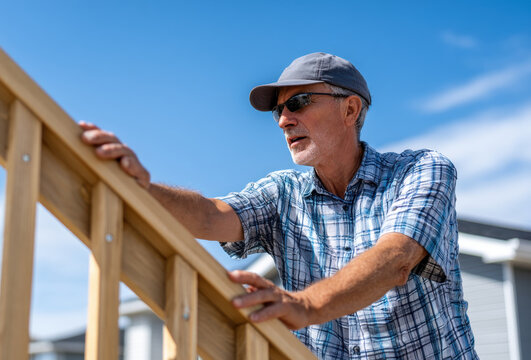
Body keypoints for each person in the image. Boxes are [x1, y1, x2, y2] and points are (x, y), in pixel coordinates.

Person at [79, 52, 478, 359]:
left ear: (350, 109)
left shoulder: (421, 170)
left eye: (299, 102)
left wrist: (303, 305)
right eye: (278, 110)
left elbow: (396, 257)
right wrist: (142, 187)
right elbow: (208, 215)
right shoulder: (282, 194)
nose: (284, 120)